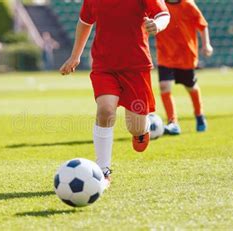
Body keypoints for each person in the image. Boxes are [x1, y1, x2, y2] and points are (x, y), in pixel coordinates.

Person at [59, 0, 170, 185]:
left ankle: (143, 129)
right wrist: (75, 56)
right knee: (105, 111)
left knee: (135, 127)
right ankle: (103, 172)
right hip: (104, 66)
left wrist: (157, 25)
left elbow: (164, 14)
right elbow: (85, 22)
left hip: (136, 67)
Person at [155, 0, 213, 134]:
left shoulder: (188, 5)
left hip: (185, 56)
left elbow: (203, 25)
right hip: (165, 55)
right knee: (164, 86)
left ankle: (199, 115)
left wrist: (206, 44)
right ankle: (173, 122)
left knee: (191, 87)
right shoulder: (159, 4)